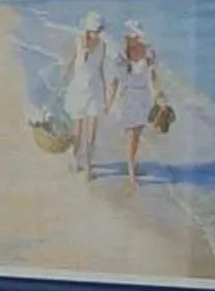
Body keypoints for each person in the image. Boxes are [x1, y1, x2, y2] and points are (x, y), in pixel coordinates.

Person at [58, 11, 113, 177]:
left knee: (92, 131)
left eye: (99, 30)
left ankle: (89, 165)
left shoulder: (103, 45)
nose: (97, 34)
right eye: (95, 30)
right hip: (78, 90)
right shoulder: (78, 41)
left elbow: (100, 68)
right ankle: (75, 159)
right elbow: (72, 60)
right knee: (78, 130)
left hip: (95, 90)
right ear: (88, 30)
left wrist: (105, 91)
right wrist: (65, 74)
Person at [114, 19, 161, 186]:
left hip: (143, 96)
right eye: (132, 36)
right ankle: (131, 170)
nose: (134, 38)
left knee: (137, 133)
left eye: (136, 36)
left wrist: (159, 94)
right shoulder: (121, 55)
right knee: (132, 135)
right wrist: (112, 100)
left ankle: (132, 163)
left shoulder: (149, 52)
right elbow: (118, 79)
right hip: (128, 96)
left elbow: (154, 75)